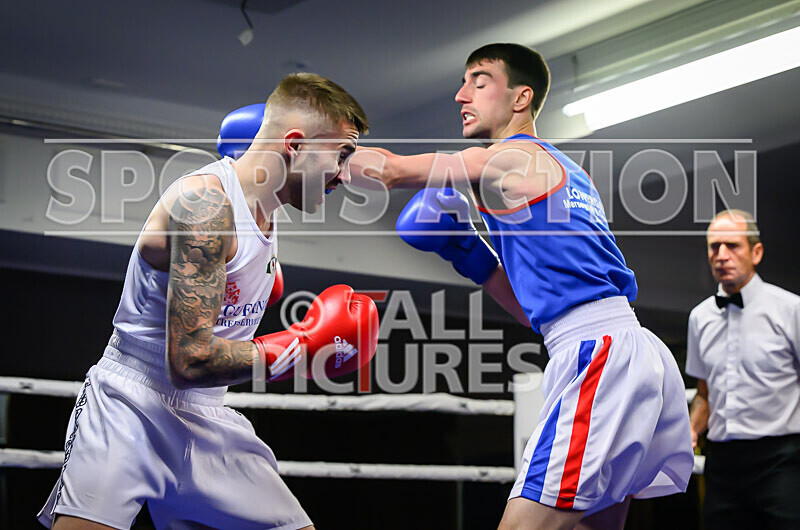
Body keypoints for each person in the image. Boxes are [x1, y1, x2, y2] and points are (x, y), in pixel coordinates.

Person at [353, 43, 694, 529]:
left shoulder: (512, 158)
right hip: (615, 349)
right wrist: (467, 253)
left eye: (479, 80)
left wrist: (298, 147)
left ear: (520, 98)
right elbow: (545, 313)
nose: (460, 94)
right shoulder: (567, 172)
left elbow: (388, 170)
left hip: (599, 356)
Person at [38, 73, 379, 529]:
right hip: (130, 405)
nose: (345, 174)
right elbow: (191, 360)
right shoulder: (206, 206)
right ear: (295, 146)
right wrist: (304, 345)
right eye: (342, 154)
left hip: (206, 413)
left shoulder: (266, 212)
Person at [686, 209, 800, 529]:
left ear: (756, 252)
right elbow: (705, 395)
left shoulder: (790, 310)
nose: (722, 255)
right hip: (722, 465)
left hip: (782, 461)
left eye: (733, 246)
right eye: (714, 247)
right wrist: (690, 430)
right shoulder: (700, 318)